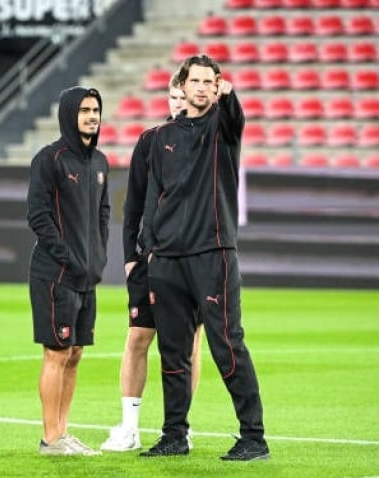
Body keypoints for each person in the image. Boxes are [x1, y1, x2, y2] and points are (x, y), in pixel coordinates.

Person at [138, 55, 269, 461]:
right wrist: (148, 252)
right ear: (182, 84)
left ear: (216, 87)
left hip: (213, 255)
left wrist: (230, 97)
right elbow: (152, 200)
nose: (200, 87)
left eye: (208, 82)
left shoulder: (223, 128)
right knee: (172, 352)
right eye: (193, 80)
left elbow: (235, 116)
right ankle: (174, 435)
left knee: (227, 345)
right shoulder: (160, 138)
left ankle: (254, 437)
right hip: (168, 261)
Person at [100, 71, 205, 452]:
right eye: (173, 97)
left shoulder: (207, 141)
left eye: (184, 97)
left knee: (190, 344)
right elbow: (133, 204)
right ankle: (129, 427)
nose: (178, 103)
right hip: (151, 259)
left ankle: (181, 427)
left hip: (192, 260)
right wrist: (130, 257)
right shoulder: (151, 141)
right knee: (138, 338)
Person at [26, 86, 110, 456]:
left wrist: (98, 255)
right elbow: (38, 216)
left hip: (86, 277)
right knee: (56, 353)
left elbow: (104, 214)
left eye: (95, 110)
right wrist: (68, 257)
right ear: (68, 115)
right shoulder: (49, 159)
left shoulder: (101, 162)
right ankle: (50, 438)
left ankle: (64, 431)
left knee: (75, 354)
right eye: (84, 110)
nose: (92, 116)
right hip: (55, 275)